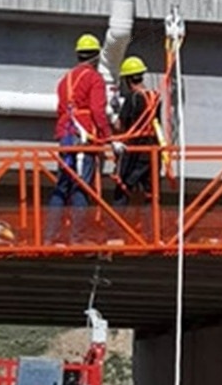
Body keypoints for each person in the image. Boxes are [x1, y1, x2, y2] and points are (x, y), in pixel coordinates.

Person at [48, 33, 112, 238]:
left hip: (66, 135)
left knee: (63, 183)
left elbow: (60, 110)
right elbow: (98, 111)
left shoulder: (65, 80)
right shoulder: (94, 78)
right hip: (83, 136)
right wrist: (107, 137)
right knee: (81, 186)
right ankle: (77, 236)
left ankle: (50, 235)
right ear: (96, 56)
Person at [111, 56, 162, 208]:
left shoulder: (132, 98)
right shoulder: (154, 97)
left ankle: (116, 228)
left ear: (127, 79)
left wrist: (113, 115)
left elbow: (120, 125)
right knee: (150, 194)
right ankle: (151, 229)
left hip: (136, 150)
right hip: (153, 151)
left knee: (123, 189)